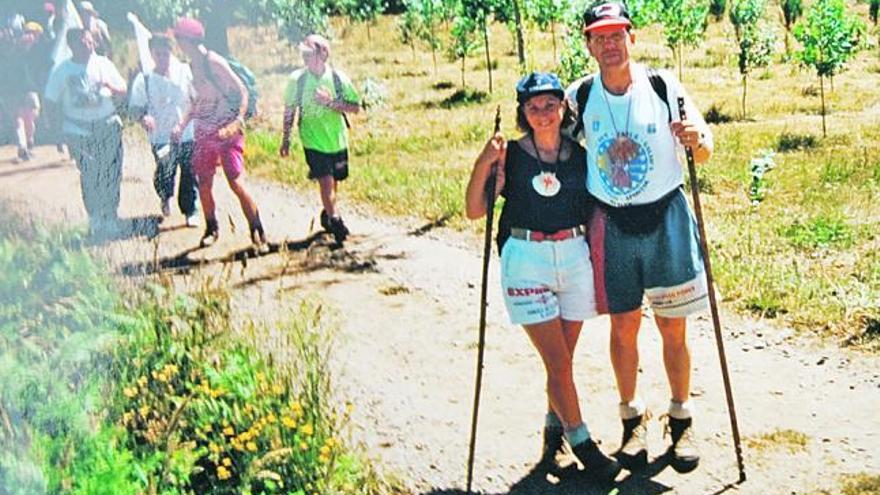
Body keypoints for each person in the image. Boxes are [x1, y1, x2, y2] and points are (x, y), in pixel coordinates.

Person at [565, 2, 714, 475]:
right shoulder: (579, 95)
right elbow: (559, 148)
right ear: (588, 44)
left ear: (633, 37)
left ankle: (681, 415)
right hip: (610, 223)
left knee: (673, 326)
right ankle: (632, 418)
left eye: (616, 35)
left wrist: (697, 139)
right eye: (598, 37)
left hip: (666, 216)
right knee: (623, 326)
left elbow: (705, 147)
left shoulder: (663, 86)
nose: (609, 45)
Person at [465, 72, 621, 484]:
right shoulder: (509, 155)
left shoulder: (580, 155)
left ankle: (553, 436)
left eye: (550, 104)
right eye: (533, 107)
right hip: (526, 257)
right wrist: (484, 162)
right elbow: (474, 210)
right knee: (557, 361)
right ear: (522, 113)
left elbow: (598, 204)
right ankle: (584, 444)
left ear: (563, 107)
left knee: (563, 363)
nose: (543, 113)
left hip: (573, 256)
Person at [172, 17, 267, 251]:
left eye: (179, 39)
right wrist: (182, 125)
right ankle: (211, 228)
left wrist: (238, 121)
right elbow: (200, 100)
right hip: (205, 129)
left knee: (235, 182)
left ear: (188, 40)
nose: (177, 43)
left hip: (226, 129)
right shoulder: (192, 64)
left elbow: (241, 90)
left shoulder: (213, 62)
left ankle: (258, 230)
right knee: (204, 183)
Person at [43, 28, 127, 234]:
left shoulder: (104, 64)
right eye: (83, 43)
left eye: (90, 42)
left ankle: (110, 216)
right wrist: (56, 132)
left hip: (107, 125)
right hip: (78, 130)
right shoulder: (62, 71)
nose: (88, 46)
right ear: (72, 45)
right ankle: (96, 217)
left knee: (112, 173)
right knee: (90, 174)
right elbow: (50, 102)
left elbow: (123, 90)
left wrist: (111, 87)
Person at [280, 34, 360, 245]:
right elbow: (289, 110)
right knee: (325, 181)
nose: (305, 57)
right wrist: (286, 139)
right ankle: (336, 221)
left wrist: (330, 103)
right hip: (312, 141)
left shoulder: (337, 79)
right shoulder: (297, 80)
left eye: (309, 53)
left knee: (333, 183)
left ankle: (328, 212)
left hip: (337, 140)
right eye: (303, 53)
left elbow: (355, 107)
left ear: (323, 54)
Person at [129, 33, 199, 226]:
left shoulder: (184, 72)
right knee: (165, 172)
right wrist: (144, 118)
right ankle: (165, 195)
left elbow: (196, 101)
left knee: (189, 171)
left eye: (165, 53)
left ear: (172, 51)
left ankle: (190, 209)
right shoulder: (144, 79)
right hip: (160, 136)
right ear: (151, 54)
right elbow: (135, 108)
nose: (162, 58)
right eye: (158, 54)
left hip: (186, 132)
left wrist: (182, 124)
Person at [8, 21, 52, 162]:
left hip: (16, 87)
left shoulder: (14, 46)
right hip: (28, 87)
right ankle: (27, 144)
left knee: (21, 118)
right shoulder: (38, 48)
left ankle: (25, 145)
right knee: (28, 117)